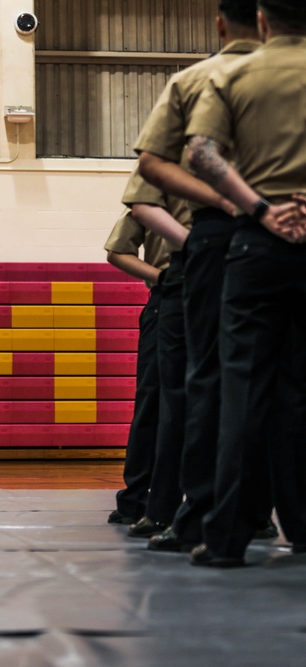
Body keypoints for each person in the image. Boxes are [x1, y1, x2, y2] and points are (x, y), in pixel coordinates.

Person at [133, 0, 269, 554]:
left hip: (222, 236)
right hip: (278, 233)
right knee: (280, 385)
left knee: (207, 381)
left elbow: (158, 169)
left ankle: (205, 518)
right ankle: (271, 514)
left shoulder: (202, 80)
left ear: (221, 23)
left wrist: (236, 207)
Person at [184, 0, 306, 566]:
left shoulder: (232, 74)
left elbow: (200, 153)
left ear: (261, 21)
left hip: (258, 245)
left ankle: (229, 534)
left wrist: (259, 208)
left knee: (242, 390)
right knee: (300, 392)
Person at [105, 166, 189, 530]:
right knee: (154, 401)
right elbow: (116, 250)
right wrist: (161, 277)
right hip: (170, 295)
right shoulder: (158, 187)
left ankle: (245, 504)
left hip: (217, 296)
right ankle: (136, 498)